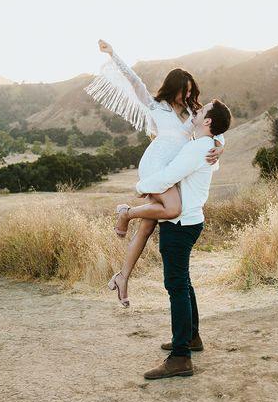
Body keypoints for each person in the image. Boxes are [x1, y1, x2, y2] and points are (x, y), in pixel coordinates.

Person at [84, 40, 225, 306]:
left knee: (148, 226)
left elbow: (217, 126)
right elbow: (133, 79)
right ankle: (126, 214)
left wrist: (220, 146)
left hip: (174, 170)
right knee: (171, 208)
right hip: (156, 164)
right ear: (173, 89)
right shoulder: (155, 106)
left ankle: (123, 277)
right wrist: (113, 54)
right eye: (183, 91)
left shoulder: (195, 112)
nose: (187, 96)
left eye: (191, 91)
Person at [136, 99, 232, 379]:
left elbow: (167, 177)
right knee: (184, 283)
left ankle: (180, 357)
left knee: (176, 286)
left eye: (201, 112)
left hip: (180, 223)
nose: (195, 112)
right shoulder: (208, 146)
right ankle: (191, 338)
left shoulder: (198, 149)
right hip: (189, 220)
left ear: (208, 122)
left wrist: (140, 186)